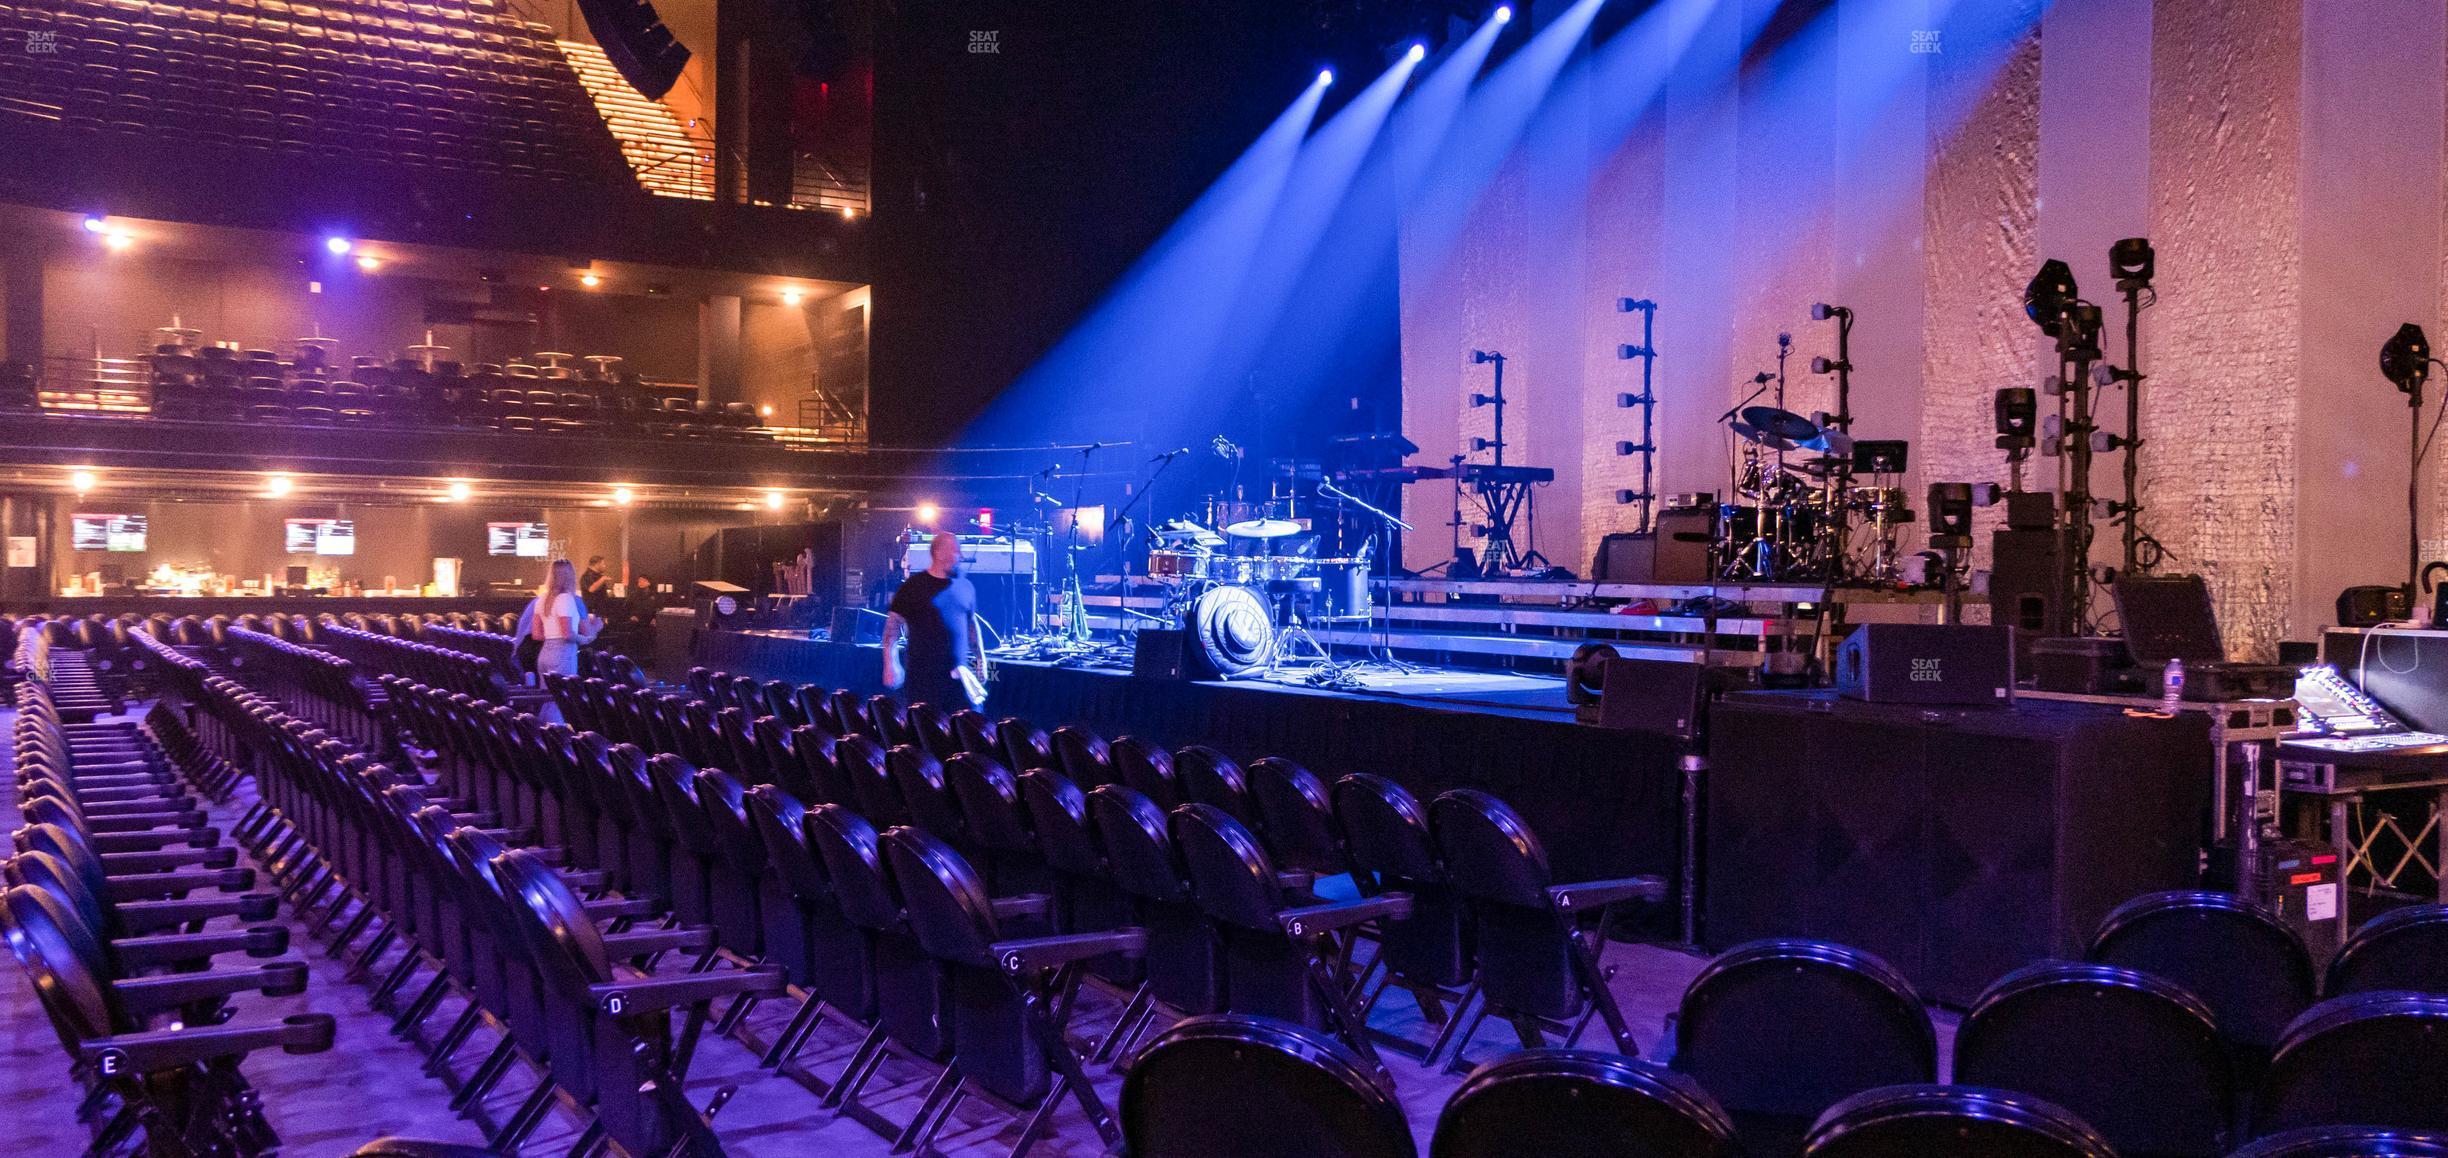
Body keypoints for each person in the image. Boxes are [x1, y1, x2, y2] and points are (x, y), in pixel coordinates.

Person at [883, 531, 984, 710]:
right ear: (938, 552)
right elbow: (893, 625)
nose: (959, 555)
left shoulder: (965, 586)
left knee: (970, 726)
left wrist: (981, 659)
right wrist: (891, 664)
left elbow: (971, 623)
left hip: (958, 677)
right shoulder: (914, 586)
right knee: (929, 731)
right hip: (923, 679)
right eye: (955, 550)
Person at [528, 558, 601, 679]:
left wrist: (552, 637)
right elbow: (567, 634)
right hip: (562, 656)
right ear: (570, 576)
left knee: (547, 697)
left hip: (544, 655)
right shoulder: (566, 599)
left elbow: (536, 634)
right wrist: (585, 637)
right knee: (564, 697)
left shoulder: (542, 599)